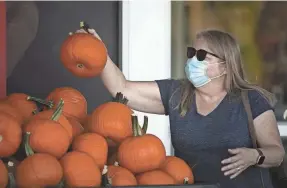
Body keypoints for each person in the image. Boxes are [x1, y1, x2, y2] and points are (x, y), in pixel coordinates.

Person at [76, 28, 285, 188]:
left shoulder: (250, 100)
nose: (193, 60)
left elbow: (277, 154)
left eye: (202, 56)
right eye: (192, 52)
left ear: (226, 65)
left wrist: (255, 156)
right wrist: (96, 48)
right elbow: (121, 88)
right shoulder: (177, 93)